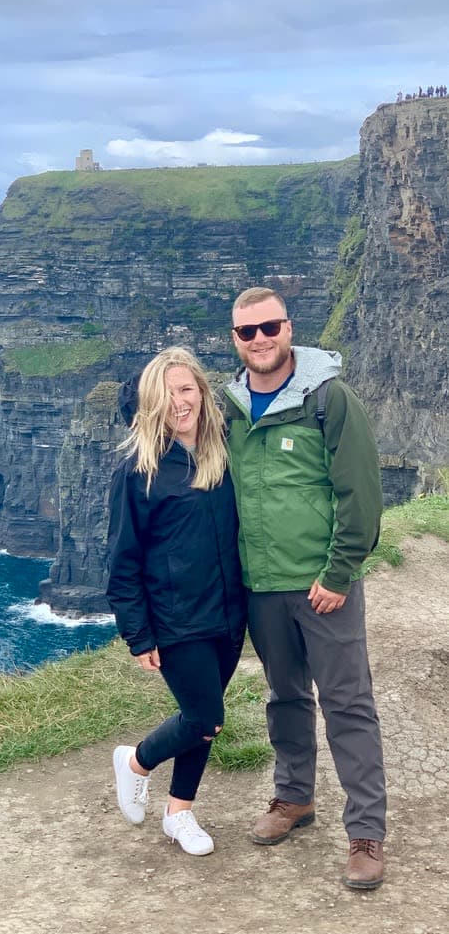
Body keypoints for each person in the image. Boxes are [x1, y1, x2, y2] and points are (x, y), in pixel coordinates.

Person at [223, 286, 386, 890]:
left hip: (323, 588)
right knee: (284, 697)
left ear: (289, 328)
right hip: (262, 588)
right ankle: (294, 798)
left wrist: (339, 574)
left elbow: (361, 494)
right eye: (247, 332)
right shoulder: (231, 408)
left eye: (270, 327)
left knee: (348, 705)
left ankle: (366, 832)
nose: (260, 339)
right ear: (235, 340)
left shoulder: (329, 399)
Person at [106, 346, 247, 856]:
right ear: (150, 404)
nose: (179, 402)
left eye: (186, 389)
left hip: (229, 612)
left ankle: (178, 813)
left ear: (203, 394)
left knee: (203, 721)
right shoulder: (139, 470)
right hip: (176, 618)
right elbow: (122, 559)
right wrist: (138, 633)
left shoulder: (225, 450)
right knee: (204, 716)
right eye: (166, 394)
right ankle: (136, 762)